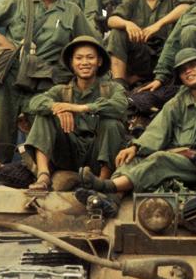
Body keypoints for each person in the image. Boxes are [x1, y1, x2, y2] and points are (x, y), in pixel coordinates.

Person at [0, 0, 100, 189]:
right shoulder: (17, 3)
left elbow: (91, 43)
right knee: (0, 148)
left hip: (46, 86)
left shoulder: (71, 11)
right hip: (8, 83)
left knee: (45, 140)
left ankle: (41, 191)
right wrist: (5, 43)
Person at [82, 48, 196, 194]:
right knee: (132, 159)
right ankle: (109, 196)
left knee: (160, 159)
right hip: (182, 160)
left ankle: (107, 188)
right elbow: (157, 130)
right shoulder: (177, 102)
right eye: (183, 70)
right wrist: (134, 148)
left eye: (193, 65)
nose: (188, 71)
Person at [24, 37, 127, 190]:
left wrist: (81, 108)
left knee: (111, 123)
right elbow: (34, 102)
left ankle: (102, 182)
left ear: (99, 62)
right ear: (72, 63)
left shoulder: (112, 89)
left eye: (90, 57)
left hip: (98, 155)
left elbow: (121, 105)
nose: (84, 62)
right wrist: (56, 108)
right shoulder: (61, 91)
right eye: (79, 58)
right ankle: (43, 175)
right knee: (44, 115)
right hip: (68, 154)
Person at [104, 0, 194, 85]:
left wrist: (159, 24)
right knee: (117, 33)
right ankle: (119, 86)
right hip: (143, 56)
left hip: (170, 54)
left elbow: (187, 7)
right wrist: (127, 24)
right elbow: (111, 20)